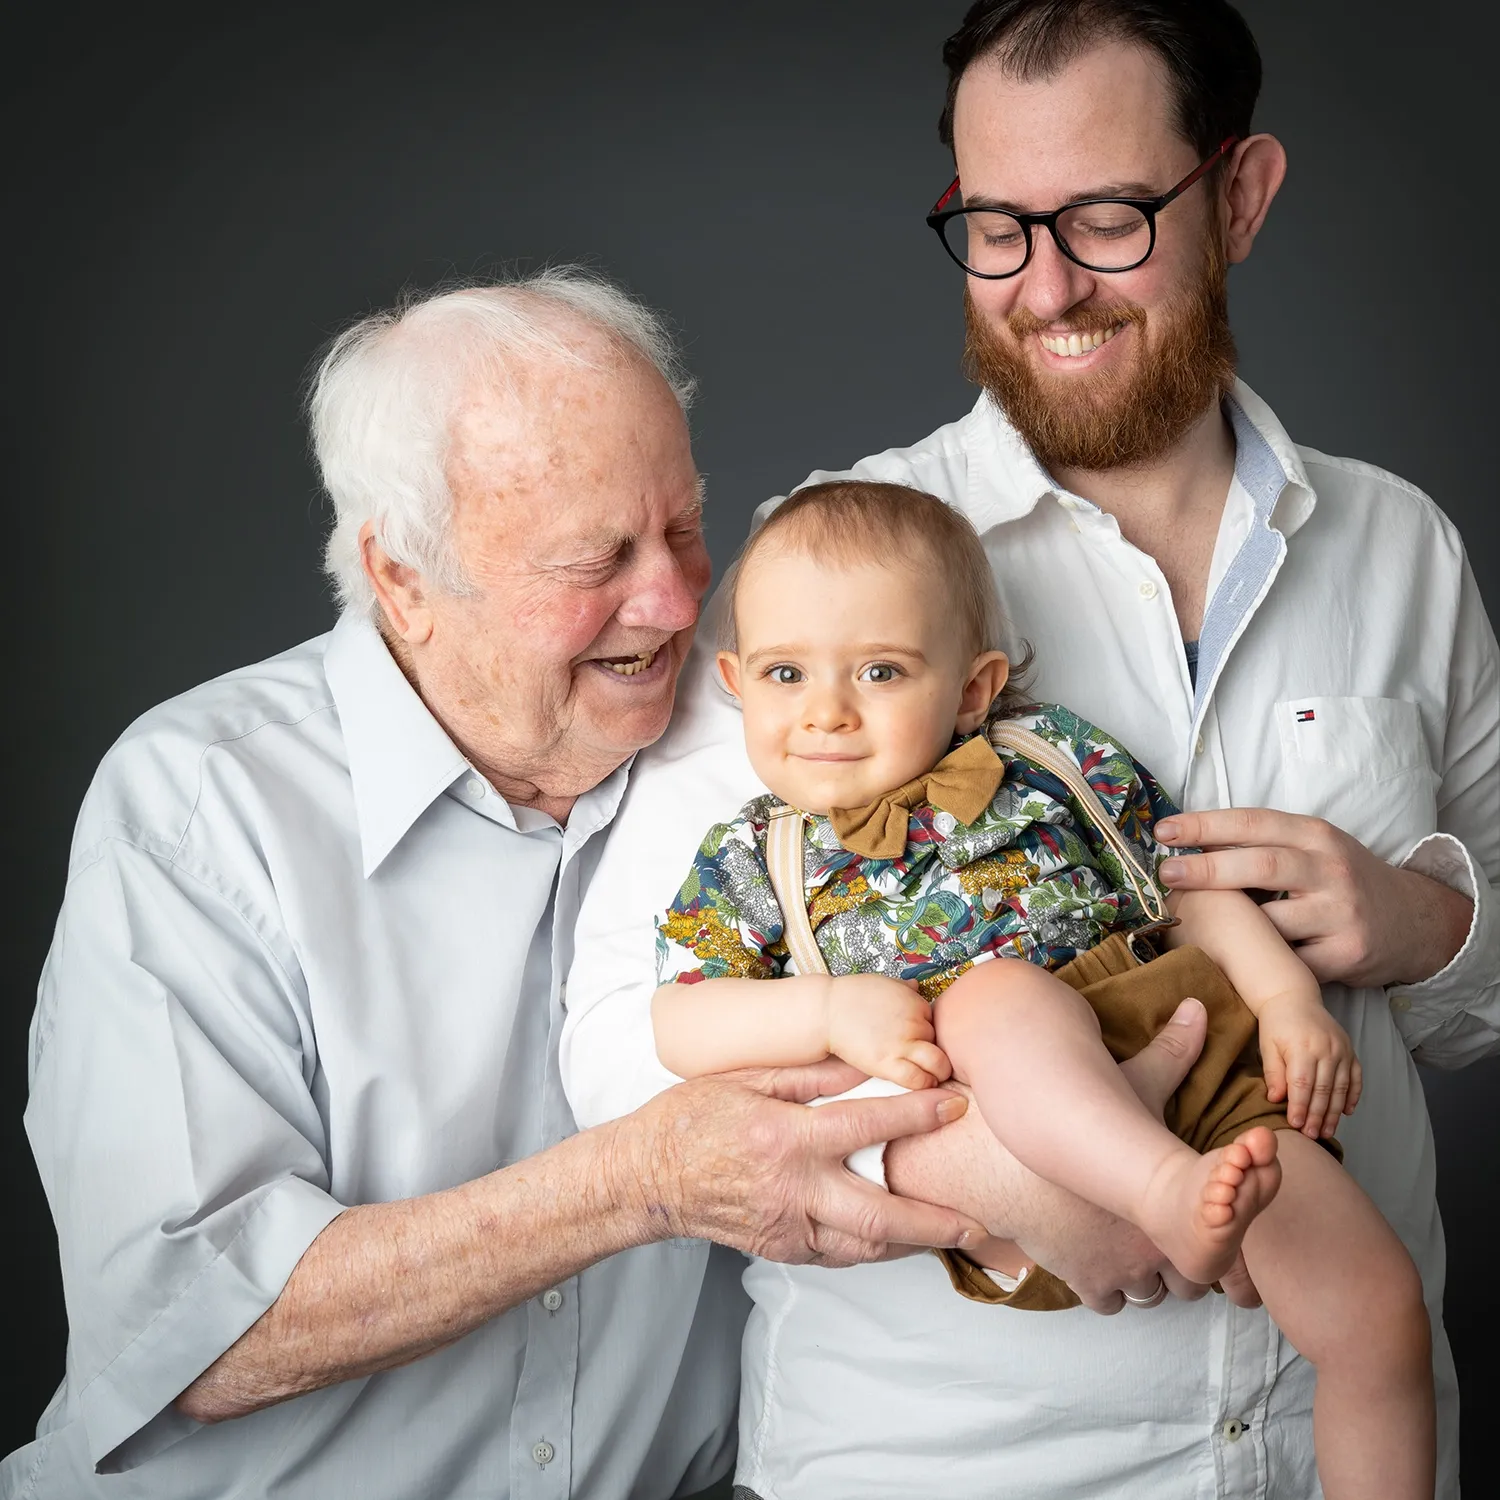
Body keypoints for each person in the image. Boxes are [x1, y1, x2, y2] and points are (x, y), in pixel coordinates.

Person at [560, 3, 1499, 1495]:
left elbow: (1474, 1013)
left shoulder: (1403, 549)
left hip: (1341, 1435)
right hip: (951, 1464)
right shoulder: (834, 575)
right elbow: (613, 1041)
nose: (1045, 285)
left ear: (1241, 195)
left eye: (1108, 217)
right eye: (996, 227)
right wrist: (965, 1169)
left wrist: (1424, 925)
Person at [2, 271, 1024, 1499]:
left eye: (685, 528)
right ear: (404, 583)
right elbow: (183, 1324)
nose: (677, 599)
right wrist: (641, 1183)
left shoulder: (773, 735)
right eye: (597, 559)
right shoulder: (201, 808)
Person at [651, 479, 1434, 1499]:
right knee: (991, 998)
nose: (827, 712)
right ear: (738, 682)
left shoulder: (1051, 760)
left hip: (1193, 1058)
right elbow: (678, 1020)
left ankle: (1197, 1203)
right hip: (1013, 1127)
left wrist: (1286, 1000)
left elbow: (1187, 889)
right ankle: (1152, 1186)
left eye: (881, 670)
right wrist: (827, 1009)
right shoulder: (757, 856)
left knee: (1381, 1310)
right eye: (786, 673)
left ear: (975, 689)